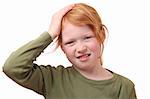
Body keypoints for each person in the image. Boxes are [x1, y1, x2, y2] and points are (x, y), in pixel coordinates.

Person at [3, 3, 137, 99]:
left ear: (101, 35)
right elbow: (13, 67)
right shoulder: (53, 79)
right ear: (63, 47)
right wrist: (50, 34)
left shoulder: (123, 87)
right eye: (70, 42)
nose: (81, 48)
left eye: (87, 37)